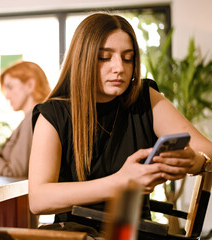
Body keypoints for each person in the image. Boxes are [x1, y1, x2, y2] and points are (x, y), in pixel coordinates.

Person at [28, 12, 212, 237]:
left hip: (135, 232)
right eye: (105, 57)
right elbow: (38, 199)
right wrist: (119, 182)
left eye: (128, 58)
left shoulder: (145, 98)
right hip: (79, 233)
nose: (119, 68)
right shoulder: (53, 114)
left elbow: (207, 150)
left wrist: (194, 160)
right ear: (82, 59)